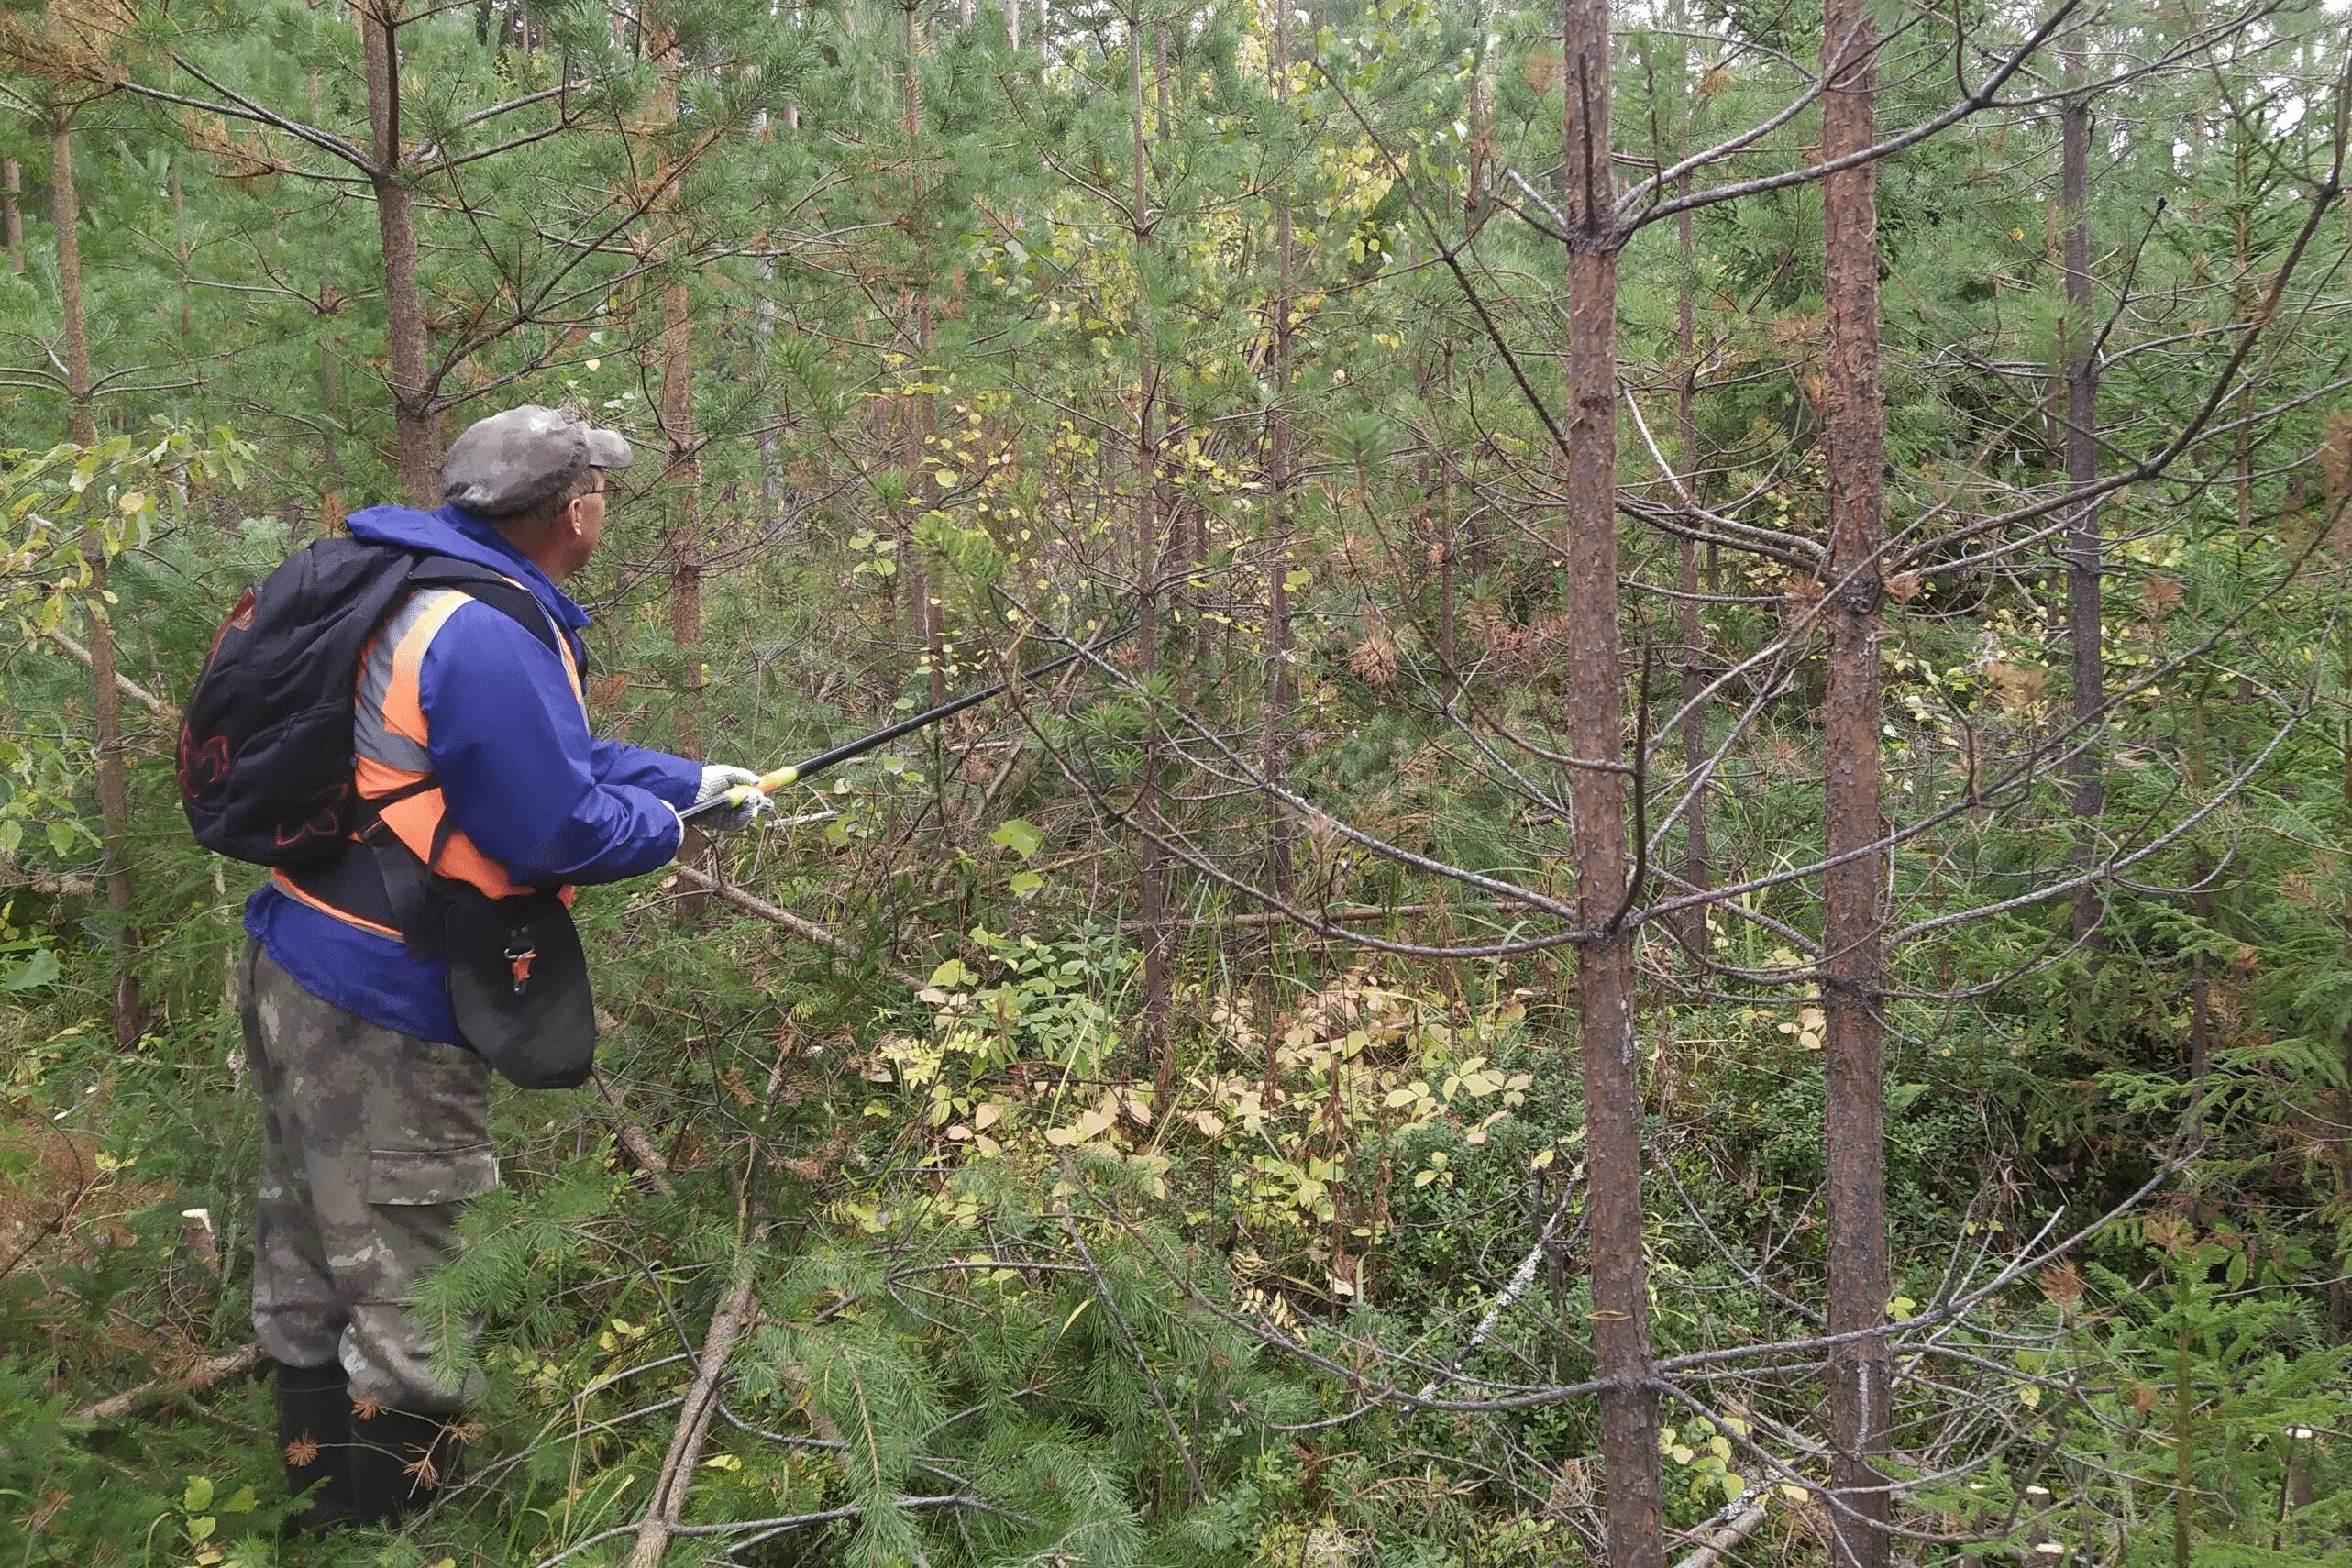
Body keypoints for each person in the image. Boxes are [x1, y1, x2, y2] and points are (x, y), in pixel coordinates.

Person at [238, 405, 770, 1530]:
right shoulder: (481, 631)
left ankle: (317, 1522)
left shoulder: (417, 585)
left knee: (307, 1255)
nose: (606, 509)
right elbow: (551, 826)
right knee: (412, 1287)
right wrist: (666, 830)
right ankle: (401, 1542)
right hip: (384, 994)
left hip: (301, 950)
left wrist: (691, 781)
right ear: (575, 512)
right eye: (602, 493)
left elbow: (546, 759)